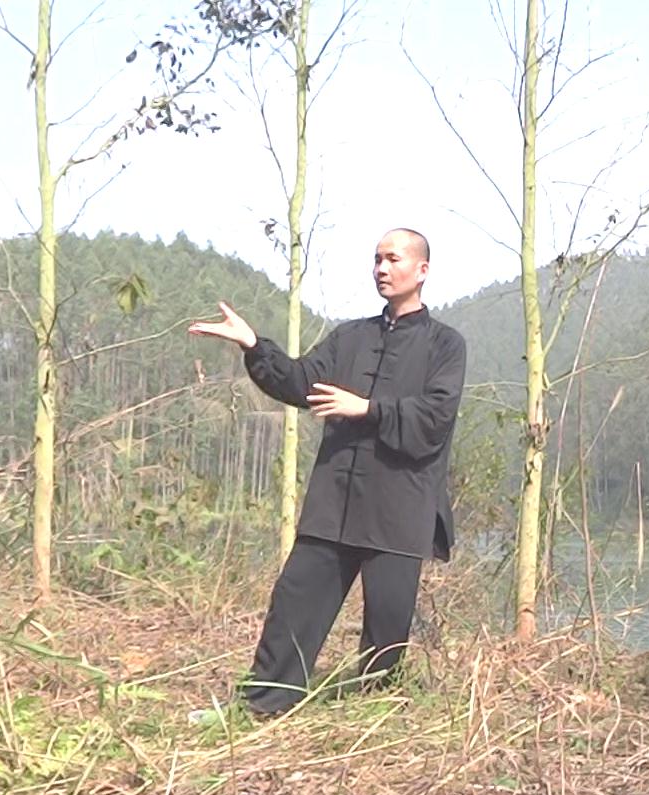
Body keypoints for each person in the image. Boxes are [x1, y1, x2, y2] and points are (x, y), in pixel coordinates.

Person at [188, 227, 466, 714]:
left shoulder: (445, 345)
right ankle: (262, 705)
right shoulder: (351, 338)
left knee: (386, 633)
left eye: (393, 259)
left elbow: (435, 417)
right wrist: (254, 345)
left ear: (422, 270)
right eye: (376, 259)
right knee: (294, 603)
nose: (381, 268)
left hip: (399, 509)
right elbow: (299, 382)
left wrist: (368, 409)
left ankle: (374, 716)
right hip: (335, 503)